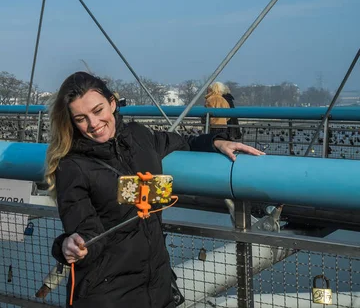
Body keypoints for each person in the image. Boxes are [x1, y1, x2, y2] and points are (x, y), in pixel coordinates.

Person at [46, 72, 263, 308]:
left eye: (98, 111)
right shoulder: (72, 167)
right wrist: (72, 244)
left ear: (112, 103)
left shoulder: (139, 137)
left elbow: (183, 143)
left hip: (157, 288)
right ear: (72, 122)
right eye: (81, 118)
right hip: (109, 295)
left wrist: (216, 141)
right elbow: (87, 232)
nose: (93, 124)